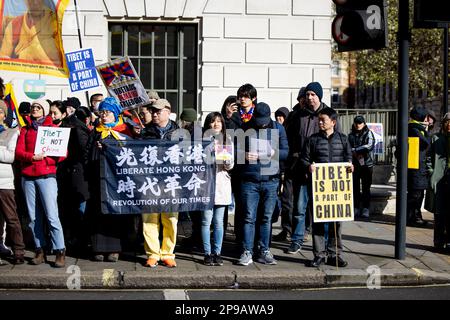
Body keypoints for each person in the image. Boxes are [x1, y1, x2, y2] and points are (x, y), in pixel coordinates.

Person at [285, 82, 341, 255]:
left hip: (324, 172)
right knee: (299, 208)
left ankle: (324, 245)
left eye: (313, 95)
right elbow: (289, 139)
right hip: (301, 168)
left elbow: (338, 140)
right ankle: (297, 240)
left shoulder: (329, 115)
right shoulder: (297, 116)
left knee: (322, 209)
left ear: (319, 96)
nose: (309, 98)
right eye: (307, 94)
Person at [236, 101, 289, 266]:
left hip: (271, 180)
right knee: (248, 217)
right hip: (249, 180)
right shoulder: (245, 128)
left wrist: (274, 153)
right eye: (259, 123)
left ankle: (264, 250)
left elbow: (286, 152)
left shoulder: (278, 129)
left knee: (266, 218)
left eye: (264, 123)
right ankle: (247, 251)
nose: (262, 126)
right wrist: (244, 155)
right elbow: (234, 151)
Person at [15, 99, 66, 267]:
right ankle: (39, 249)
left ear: (44, 111)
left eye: (38, 107)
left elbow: (63, 154)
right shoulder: (25, 129)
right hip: (28, 176)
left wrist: (49, 158)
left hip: (47, 175)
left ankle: (59, 250)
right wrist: (32, 157)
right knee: (33, 217)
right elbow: (19, 152)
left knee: (52, 215)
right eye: (33, 107)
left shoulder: (52, 129)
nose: (34, 109)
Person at [300, 107, 352, 267]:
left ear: (333, 122)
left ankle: (335, 254)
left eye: (323, 120)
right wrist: (309, 166)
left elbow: (348, 158)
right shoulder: (312, 139)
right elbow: (304, 159)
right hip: (319, 189)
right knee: (318, 222)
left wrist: (351, 166)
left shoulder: (343, 139)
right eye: (319, 120)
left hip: (337, 190)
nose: (320, 122)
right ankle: (319, 255)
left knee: (336, 223)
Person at [86, 97, 135, 262]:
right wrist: (97, 149)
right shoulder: (96, 131)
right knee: (97, 214)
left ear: (115, 114)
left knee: (115, 214)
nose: (104, 116)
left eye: (107, 112)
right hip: (97, 179)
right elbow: (87, 154)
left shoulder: (124, 130)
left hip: (116, 181)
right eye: (102, 112)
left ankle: (115, 249)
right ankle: (98, 248)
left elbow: (130, 155)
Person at [141, 98, 179, 268]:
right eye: (153, 111)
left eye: (157, 111)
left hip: (172, 182)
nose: (154, 114)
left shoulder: (180, 132)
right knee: (149, 218)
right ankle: (153, 254)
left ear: (168, 112)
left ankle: (168, 253)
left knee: (170, 219)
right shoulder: (145, 132)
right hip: (150, 181)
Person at [273, 87, 306, 242]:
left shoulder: (320, 114)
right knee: (287, 200)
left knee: (304, 203)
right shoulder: (293, 116)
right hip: (291, 165)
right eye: (303, 97)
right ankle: (286, 229)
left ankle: (304, 231)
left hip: (308, 165)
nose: (306, 99)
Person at [201, 112, 234, 266]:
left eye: (219, 122)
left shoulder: (227, 140)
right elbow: (199, 162)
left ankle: (217, 252)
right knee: (206, 221)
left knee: (219, 222)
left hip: (222, 183)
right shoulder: (202, 141)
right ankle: (207, 253)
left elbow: (230, 165)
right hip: (206, 185)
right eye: (213, 121)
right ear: (208, 124)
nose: (216, 124)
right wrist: (211, 151)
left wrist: (227, 160)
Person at [0, 0, 64, 66]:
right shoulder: (14, 25)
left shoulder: (55, 22)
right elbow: (3, 59)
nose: (35, 2)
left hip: (49, 74)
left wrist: (29, 52)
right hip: (20, 74)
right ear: (25, 1)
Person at [0, 101, 25, 264]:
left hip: (4, 182)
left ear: (4, 114)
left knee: (11, 218)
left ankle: (19, 251)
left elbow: (11, 156)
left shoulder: (11, 132)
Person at [425, 113, 450, 253]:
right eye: (447, 122)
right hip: (439, 180)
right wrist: (431, 172)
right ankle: (438, 241)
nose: (449, 125)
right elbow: (428, 158)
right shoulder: (436, 138)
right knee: (439, 213)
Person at [407, 106, 431, 227]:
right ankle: (412, 218)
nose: (428, 119)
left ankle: (416, 216)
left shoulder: (416, 127)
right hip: (415, 167)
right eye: (426, 116)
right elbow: (426, 143)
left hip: (418, 166)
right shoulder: (414, 128)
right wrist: (426, 131)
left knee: (418, 193)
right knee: (415, 194)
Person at [348, 115, 375, 218]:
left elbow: (369, 146)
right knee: (354, 187)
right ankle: (355, 207)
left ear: (364, 123)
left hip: (367, 165)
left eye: (360, 123)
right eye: (356, 123)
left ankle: (365, 208)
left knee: (366, 188)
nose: (358, 125)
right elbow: (347, 147)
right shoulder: (350, 135)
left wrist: (355, 150)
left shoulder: (369, 133)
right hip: (355, 165)